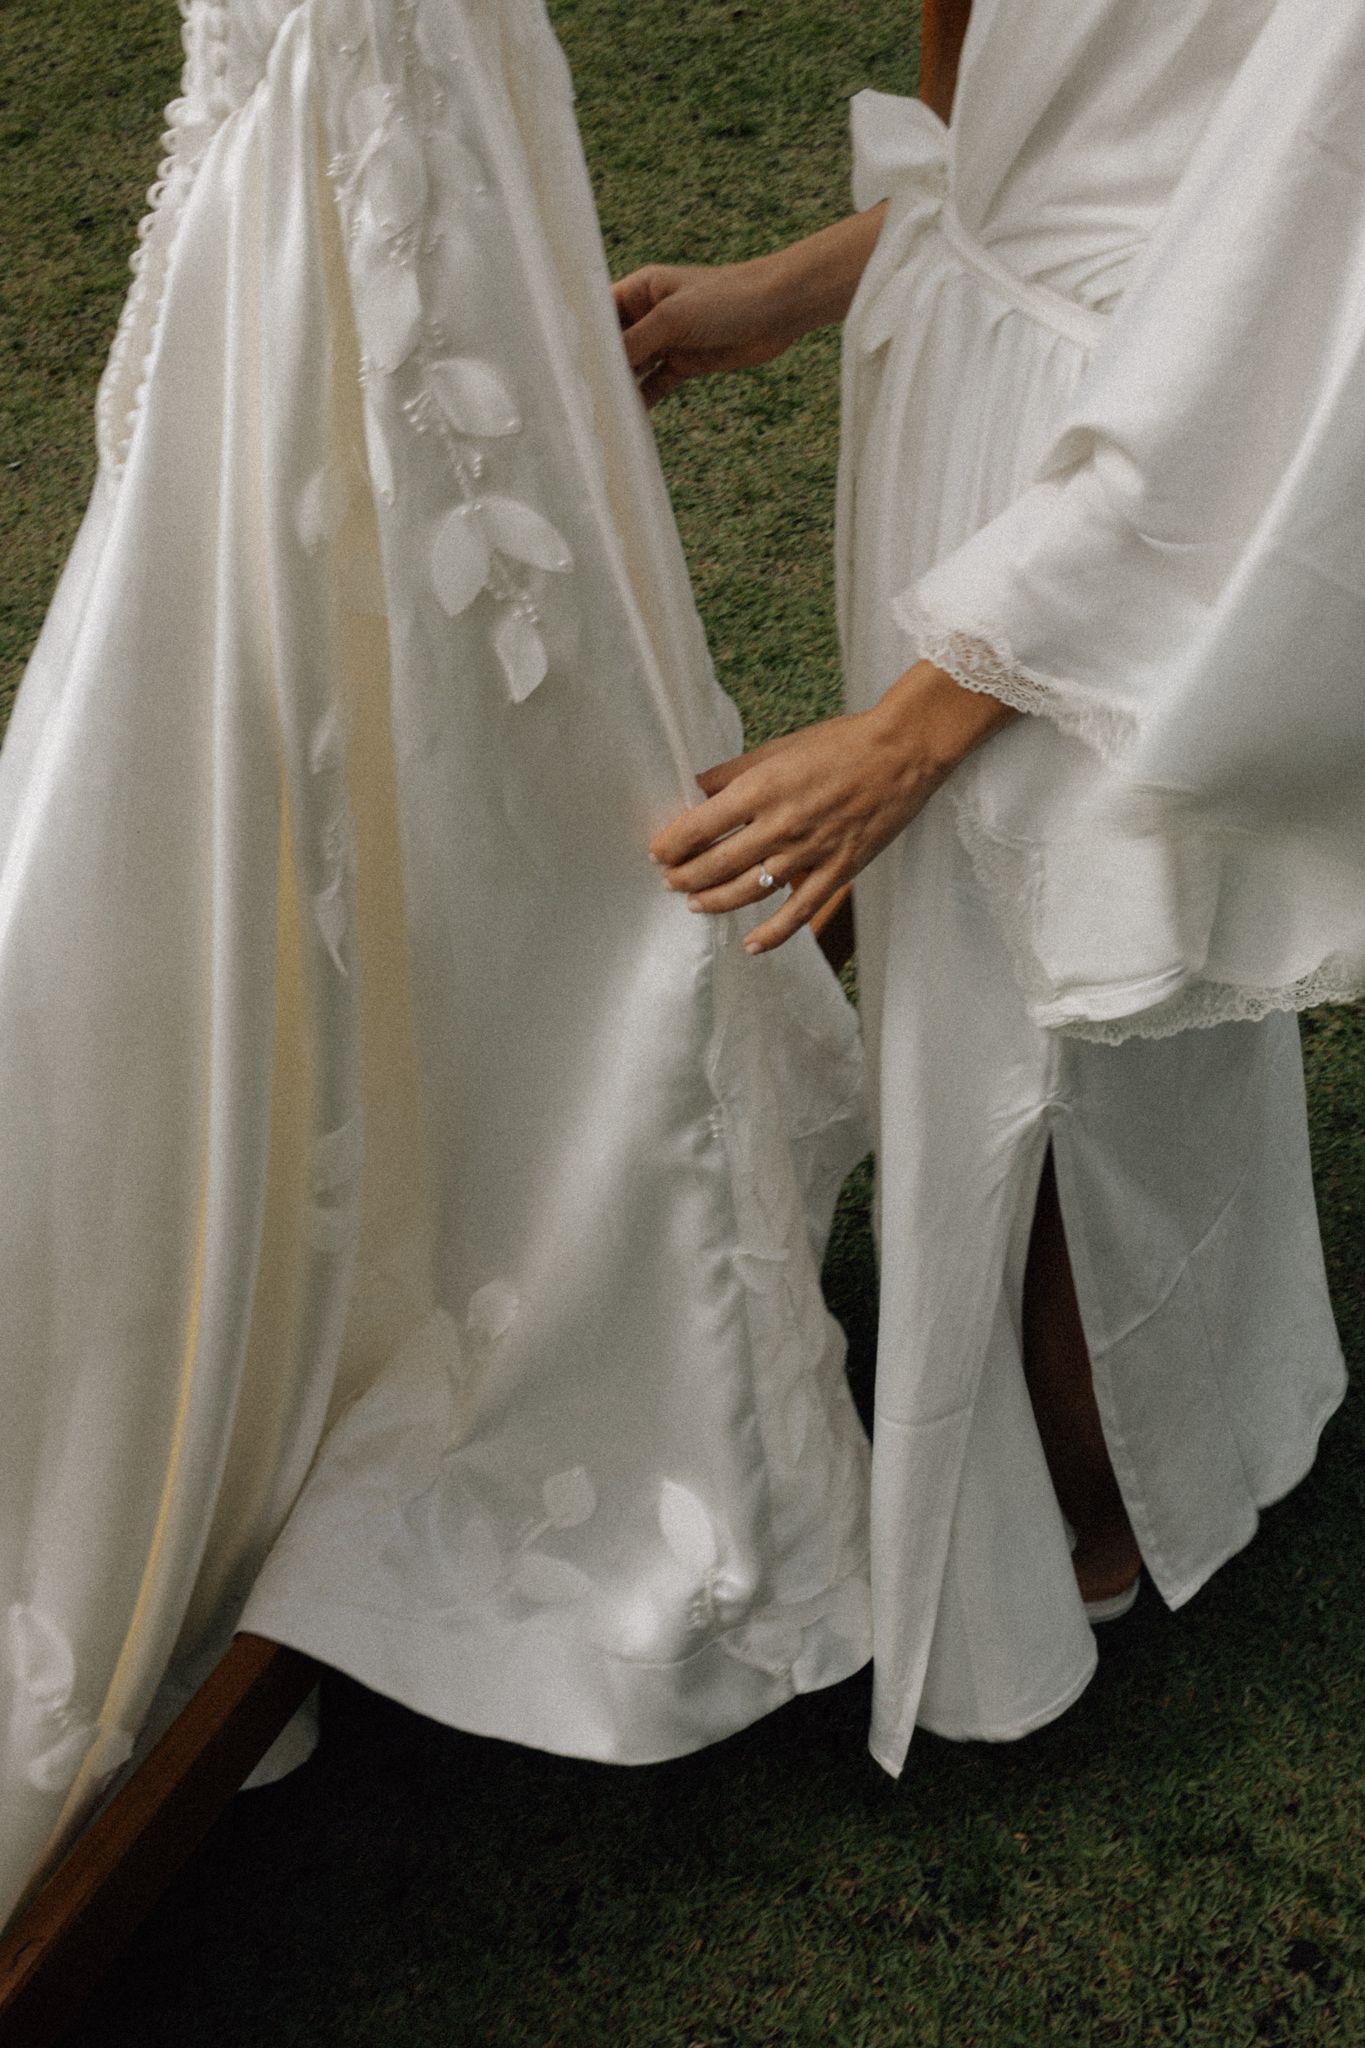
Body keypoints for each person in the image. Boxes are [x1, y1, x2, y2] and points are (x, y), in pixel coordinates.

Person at [0, 0, 876, 1928]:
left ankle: (475, 1140)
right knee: (399, 656)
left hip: (421, 102)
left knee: (448, 642)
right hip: (370, 96)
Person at [616, 0, 1365, 1773]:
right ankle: (1090, 1402)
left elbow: (1277, 334)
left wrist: (910, 727)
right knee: (974, 975)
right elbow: (1028, 135)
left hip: (1144, 500)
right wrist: (801, 284)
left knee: (1079, 1002)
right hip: (981, 403)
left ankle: (1097, 1467)